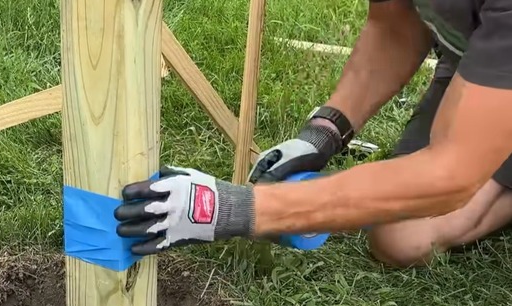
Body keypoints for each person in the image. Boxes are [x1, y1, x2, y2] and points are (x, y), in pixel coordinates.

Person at [113, 0, 512, 268]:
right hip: (479, 60)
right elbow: (395, 26)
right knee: (398, 234)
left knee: (409, 238)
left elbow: (448, 173)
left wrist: (234, 209)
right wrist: (324, 132)